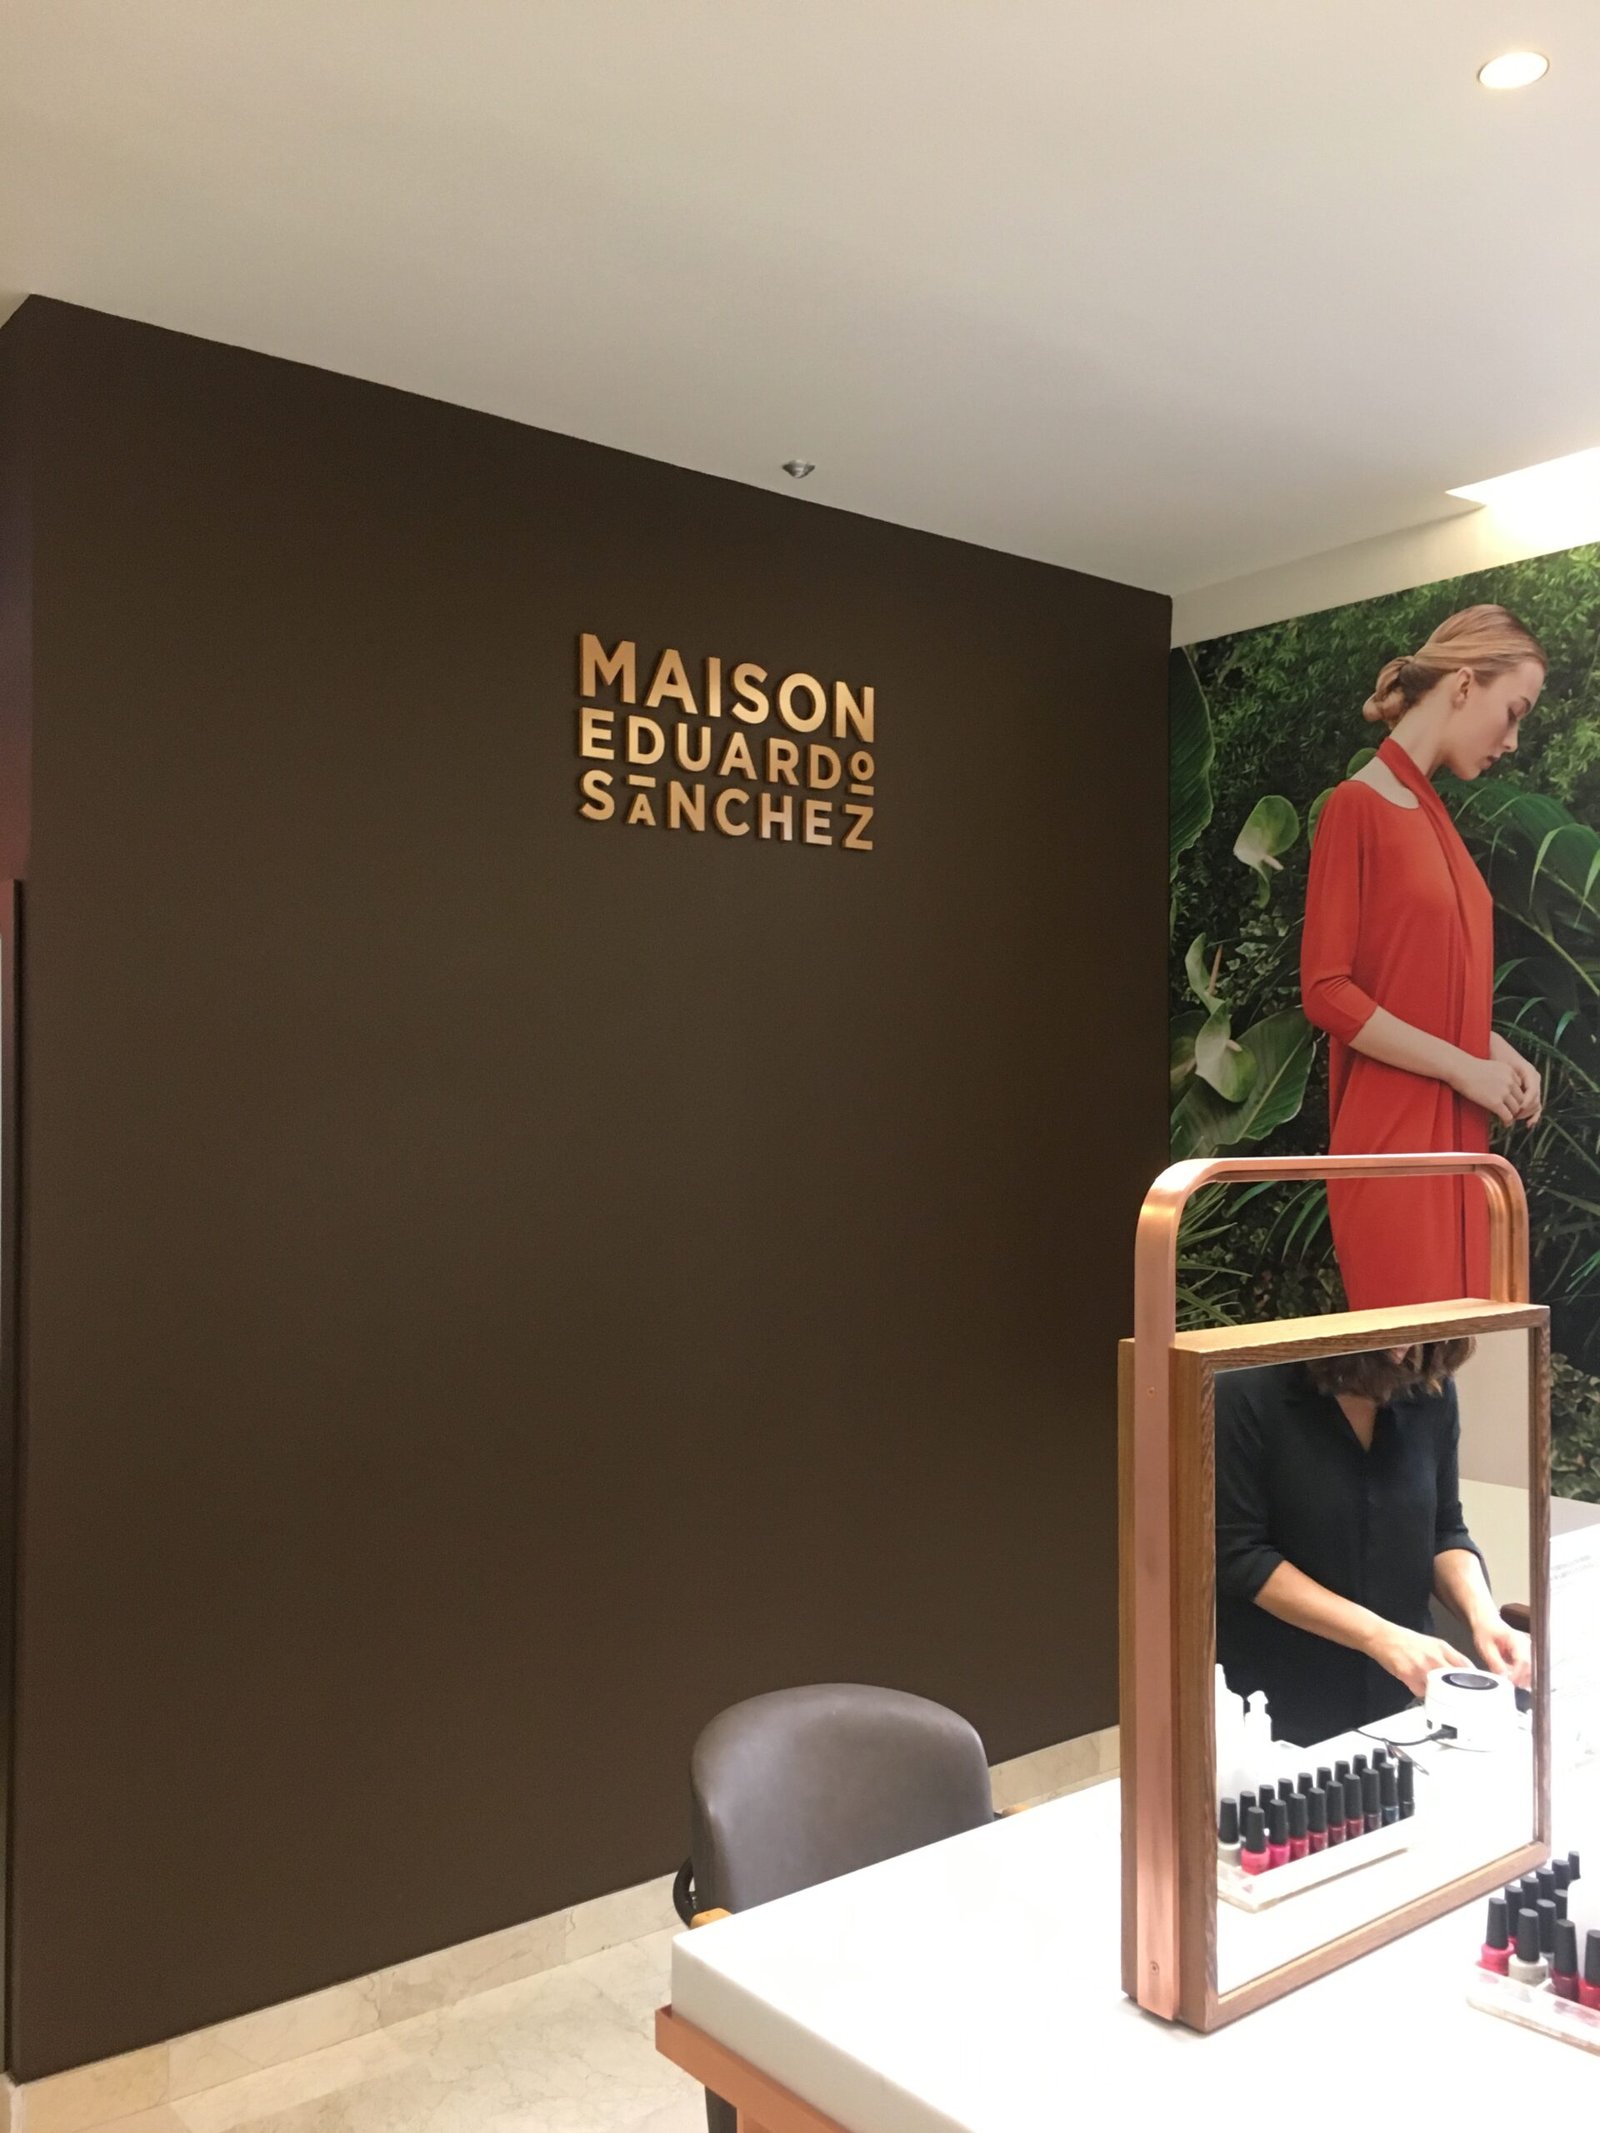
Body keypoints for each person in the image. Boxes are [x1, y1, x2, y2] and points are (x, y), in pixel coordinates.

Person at [1301, 605, 1546, 1309]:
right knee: (1415, 1365)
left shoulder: (1432, 817)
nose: (1513, 740)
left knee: (1468, 1355)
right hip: (1395, 1147)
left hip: (1457, 1143)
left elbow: (1419, 987)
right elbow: (1327, 991)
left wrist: (1491, 1049)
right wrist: (1466, 1066)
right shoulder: (1358, 805)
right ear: (1465, 684)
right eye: (1513, 712)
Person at [1215, 1341, 1530, 1749]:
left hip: (1403, 1701)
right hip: (1277, 1700)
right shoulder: (1246, 1391)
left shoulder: (1430, 1390)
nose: (1407, 1344)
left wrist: (1485, 1618)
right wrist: (1379, 1637)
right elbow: (1242, 1556)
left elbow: (1444, 1530)